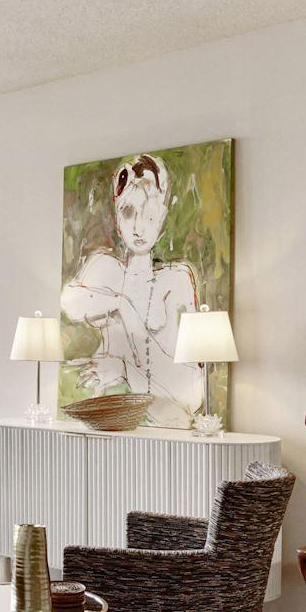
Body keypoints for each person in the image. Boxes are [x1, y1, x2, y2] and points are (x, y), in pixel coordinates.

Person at [59, 153, 202, 427]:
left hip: (165, 417)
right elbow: (69, 302)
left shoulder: (175, 281)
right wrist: (119, 302)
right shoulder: (106, 268)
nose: (138, 228)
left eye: (149, 216)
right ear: (117, 216)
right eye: (129, 213)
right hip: (108, 411)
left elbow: (190, 387)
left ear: (161, 219)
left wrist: (125, 366)